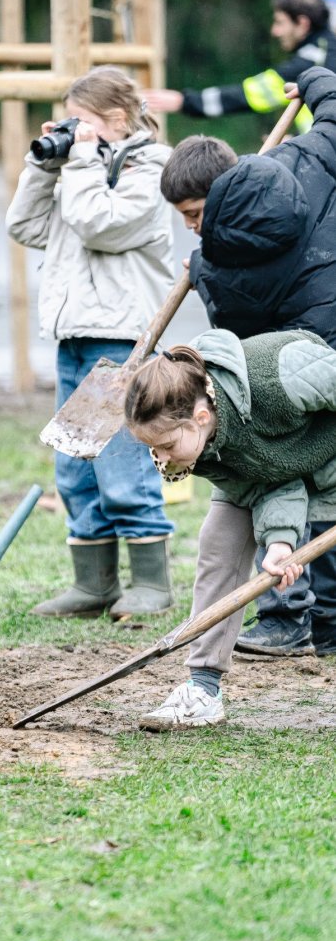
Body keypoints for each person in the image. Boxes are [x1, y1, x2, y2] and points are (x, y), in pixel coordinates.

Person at [158, 65, 336, 659]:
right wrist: (314, 80)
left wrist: (205, 267)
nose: (191, 227)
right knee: (322, 482)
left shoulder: (216, 270)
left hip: (300, 368)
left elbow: (240, 350)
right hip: (311, 359)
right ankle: (322, 619)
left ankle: (289, 616)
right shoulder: (307, 158)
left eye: (193, 213)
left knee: (288, 473)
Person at [5, 66, 175, 620]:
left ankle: (151, 584)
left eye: (81, 122)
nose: (72, 132)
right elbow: (26, 227)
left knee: (123, 462)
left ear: (117, 120)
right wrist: (44, 164)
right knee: (75, 468)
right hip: (75, 334)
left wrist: (79, 161)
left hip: (119, 336)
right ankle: (94, 582)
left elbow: (102, 224)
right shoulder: (83, 168)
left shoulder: (151, 166)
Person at [124, 328, 336, 731]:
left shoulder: (282, 376)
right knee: (218, 543)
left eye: (166, 445)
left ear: (200, 417)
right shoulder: (198, 450)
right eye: (152, 448)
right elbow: (271, 478)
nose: (161, 458)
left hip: (328, 455)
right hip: (292, 465)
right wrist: (279, 543)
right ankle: (203, 688)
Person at [145, 0, 336, 134]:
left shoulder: (312, 62)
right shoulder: (326, 51)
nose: (274, 31)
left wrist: (185, 101)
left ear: (302, 23)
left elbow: (250, 95)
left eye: (280, 22)